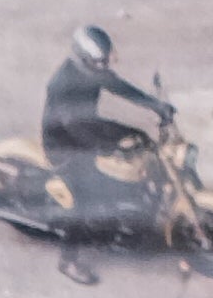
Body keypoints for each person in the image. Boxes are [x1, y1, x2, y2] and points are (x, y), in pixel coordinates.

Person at [40, 24, 172, 181]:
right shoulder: (61, 83)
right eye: (98, 62)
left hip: (88, 126)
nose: (103, 67)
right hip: (64, 145)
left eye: (104, 62)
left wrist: (156, 105)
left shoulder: (92, 70)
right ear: (83, 58)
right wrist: (108, 148)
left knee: (140, 138)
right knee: (101, 183)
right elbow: (72, 126)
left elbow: (121, 87)